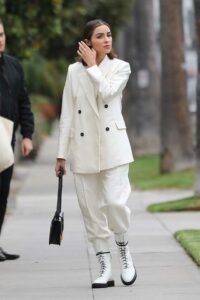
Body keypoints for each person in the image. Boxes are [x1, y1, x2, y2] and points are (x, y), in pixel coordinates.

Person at [55, 19, 137, 288]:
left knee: (114, 203)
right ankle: (105, 267)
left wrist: (92, 67)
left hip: (114, 147)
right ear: (87, 42)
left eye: (109, 35)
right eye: (100, 36)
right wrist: (61, 155)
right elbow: (67, 114)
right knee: (91, 213)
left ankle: (124, 250)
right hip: (84, 150)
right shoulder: (72, 72)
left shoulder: (120, 67)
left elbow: (107, 93)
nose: (107, 40)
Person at [0, 19, 34, 261]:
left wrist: (28, 135)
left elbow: (24, 102)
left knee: (2, 194)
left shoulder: (14, 65)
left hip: (7, 140)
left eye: (1, 34)